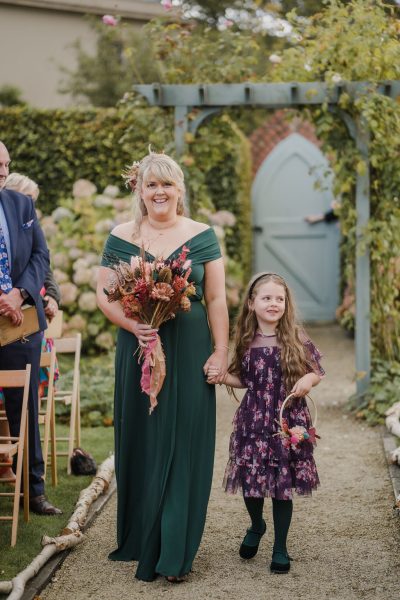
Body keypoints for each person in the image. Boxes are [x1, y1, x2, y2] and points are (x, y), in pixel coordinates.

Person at [96, 150, 229, 582]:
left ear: (179, 190)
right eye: (151, 184)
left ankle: (175, 551)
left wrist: (221, 349)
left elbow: (216, 299)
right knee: (144, 439)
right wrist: (134, 325)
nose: (159, 192)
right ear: (139, 189)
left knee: (185, 442)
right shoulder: (120, 235)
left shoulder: (203, 235)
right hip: (139, 349)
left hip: (189, 355)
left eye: (167, 184)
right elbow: (105, 296)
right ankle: (142, 537)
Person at [208, 272, 324, 574]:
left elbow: (317, 371)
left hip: (287, 420)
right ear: (251, 303)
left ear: (286, 304)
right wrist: (221, 376)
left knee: (282, 483)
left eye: (279, 299)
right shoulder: (246, 340)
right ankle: (257, 524)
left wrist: (307, 382)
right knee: (252, 480)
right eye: (267, 298)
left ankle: (280, 547)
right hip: (253, 420)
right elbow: (242, 379)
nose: (274, 303)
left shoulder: (295, 337)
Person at [0, 141, 61, 515]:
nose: (2, 172)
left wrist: (19, 292)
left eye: (5, 164)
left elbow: (41, 255)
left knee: (24, 407)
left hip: (19, 321)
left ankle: (33, 492)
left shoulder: (22, 205)